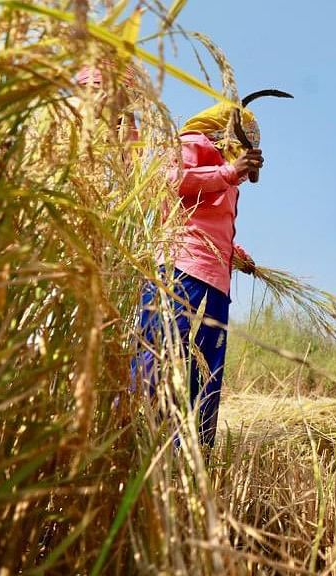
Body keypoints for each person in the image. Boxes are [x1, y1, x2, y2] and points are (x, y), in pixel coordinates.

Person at [132, 101, 263, 448]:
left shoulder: (226, 170)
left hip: (216, 285)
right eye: (243, 139)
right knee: (163, 361)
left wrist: (240, 257)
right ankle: (139, 443)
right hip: (180, 271)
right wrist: (229, 173)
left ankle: (190, 458)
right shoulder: (192, 143)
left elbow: (209, 225)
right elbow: (168, 182)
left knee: (203, 375)